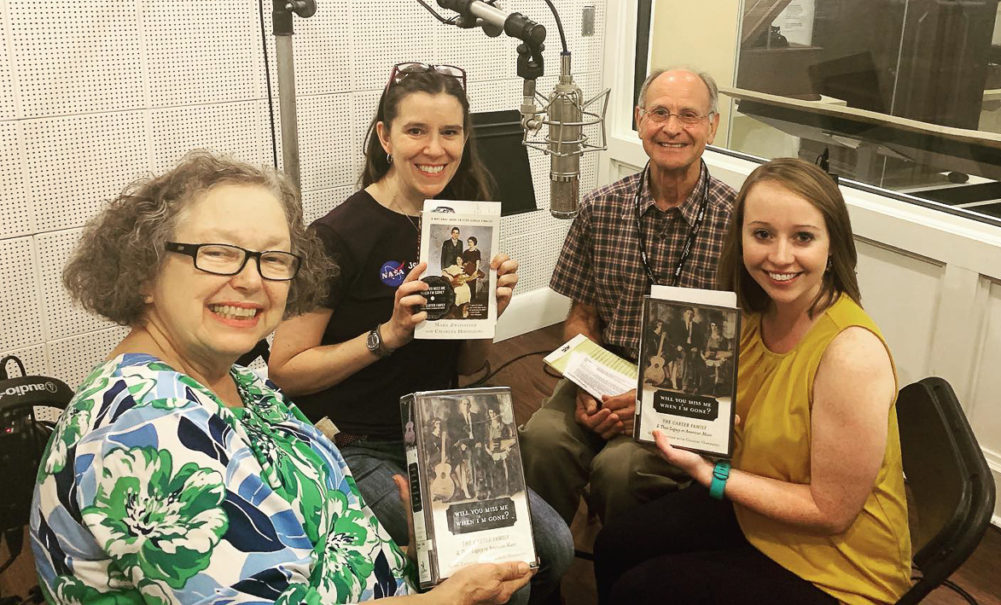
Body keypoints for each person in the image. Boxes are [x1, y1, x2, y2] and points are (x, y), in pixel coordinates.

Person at [31, 152, 533, 605]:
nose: (251, 280)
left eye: (272, 258)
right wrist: (449, 599)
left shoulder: (234, 383)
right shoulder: (145, 429)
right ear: (145, 271)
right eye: (218, 252)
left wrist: (409, 553)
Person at [268, 64, 573, 605]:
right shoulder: (336, 236)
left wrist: (488, 314)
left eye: (449, 132)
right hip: (358, 442)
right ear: (385, 137)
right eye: (416, 131)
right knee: (496, 581)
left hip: (443, 433)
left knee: (554, 548)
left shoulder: (460, 223)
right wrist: (388, 335)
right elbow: (285, 371)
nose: (435, 148)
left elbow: (468, 368)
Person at [593, 158, 912, 605]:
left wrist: (710, 474)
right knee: (616, 544)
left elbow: (832, 511)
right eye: (762, 234)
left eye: (803, 237)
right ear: (740, 237)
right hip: (757, 515)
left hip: (838, 570)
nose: (779, 256)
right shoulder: (752, 317)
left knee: (641, 590)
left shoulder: (851, 355)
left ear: (833, 244)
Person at [519, 67, 736, 526]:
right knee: (541, 439)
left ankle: (626, 561)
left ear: (712, 126)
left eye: (689, 115)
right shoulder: (600, 207)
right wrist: (586, 384)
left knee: (620, 470)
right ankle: (545, 561)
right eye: (659, 113)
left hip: (690, 386)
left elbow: (744, 347)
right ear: (639, 120)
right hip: (606, 370)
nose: (672, 128)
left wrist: (649, 400)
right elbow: (581, 316)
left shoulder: (737, 223)